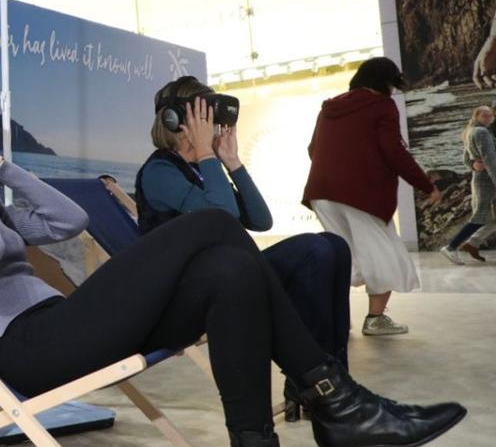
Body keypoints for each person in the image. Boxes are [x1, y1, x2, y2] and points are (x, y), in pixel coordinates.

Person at [0, 85, 465, 447]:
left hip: (64, 327)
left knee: (229, 271)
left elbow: (70, 219)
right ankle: (338, 403)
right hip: (28, 350)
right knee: (211, 224)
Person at [135, 77, 351, 421]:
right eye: (203, 117)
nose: (212, 126)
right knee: (314, 250)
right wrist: (209, 155)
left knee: (334, 247)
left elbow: (261, 220)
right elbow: (223, 217)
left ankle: (332, 377)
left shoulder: (202, 169)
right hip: (192, 292)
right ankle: (316, 384)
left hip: (231, 273)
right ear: (176, 122)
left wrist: (232, 162)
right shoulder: (161, 170)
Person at [304, 57, 441, 336]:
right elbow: (394, 152)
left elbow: (312, 148)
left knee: (343, 258)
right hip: (361, 194)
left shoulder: (330, 108)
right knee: (384, 256)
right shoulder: (381, 106)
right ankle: (375, 320)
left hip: (321, 193)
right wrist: (426, 185)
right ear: (387, 82)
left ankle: (335, 321)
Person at [441, 106, 496, 264]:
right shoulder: (482, 132)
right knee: (479, 217)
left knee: (490, 217)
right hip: (487, 181)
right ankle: (451, 247)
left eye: (489, 116)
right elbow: (490, 160)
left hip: (482, 179)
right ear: (477, 116)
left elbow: (465, 159)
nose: (488, 118)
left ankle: (472, 243)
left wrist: (473, 165)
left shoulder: (470, 131)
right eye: (484, 116)